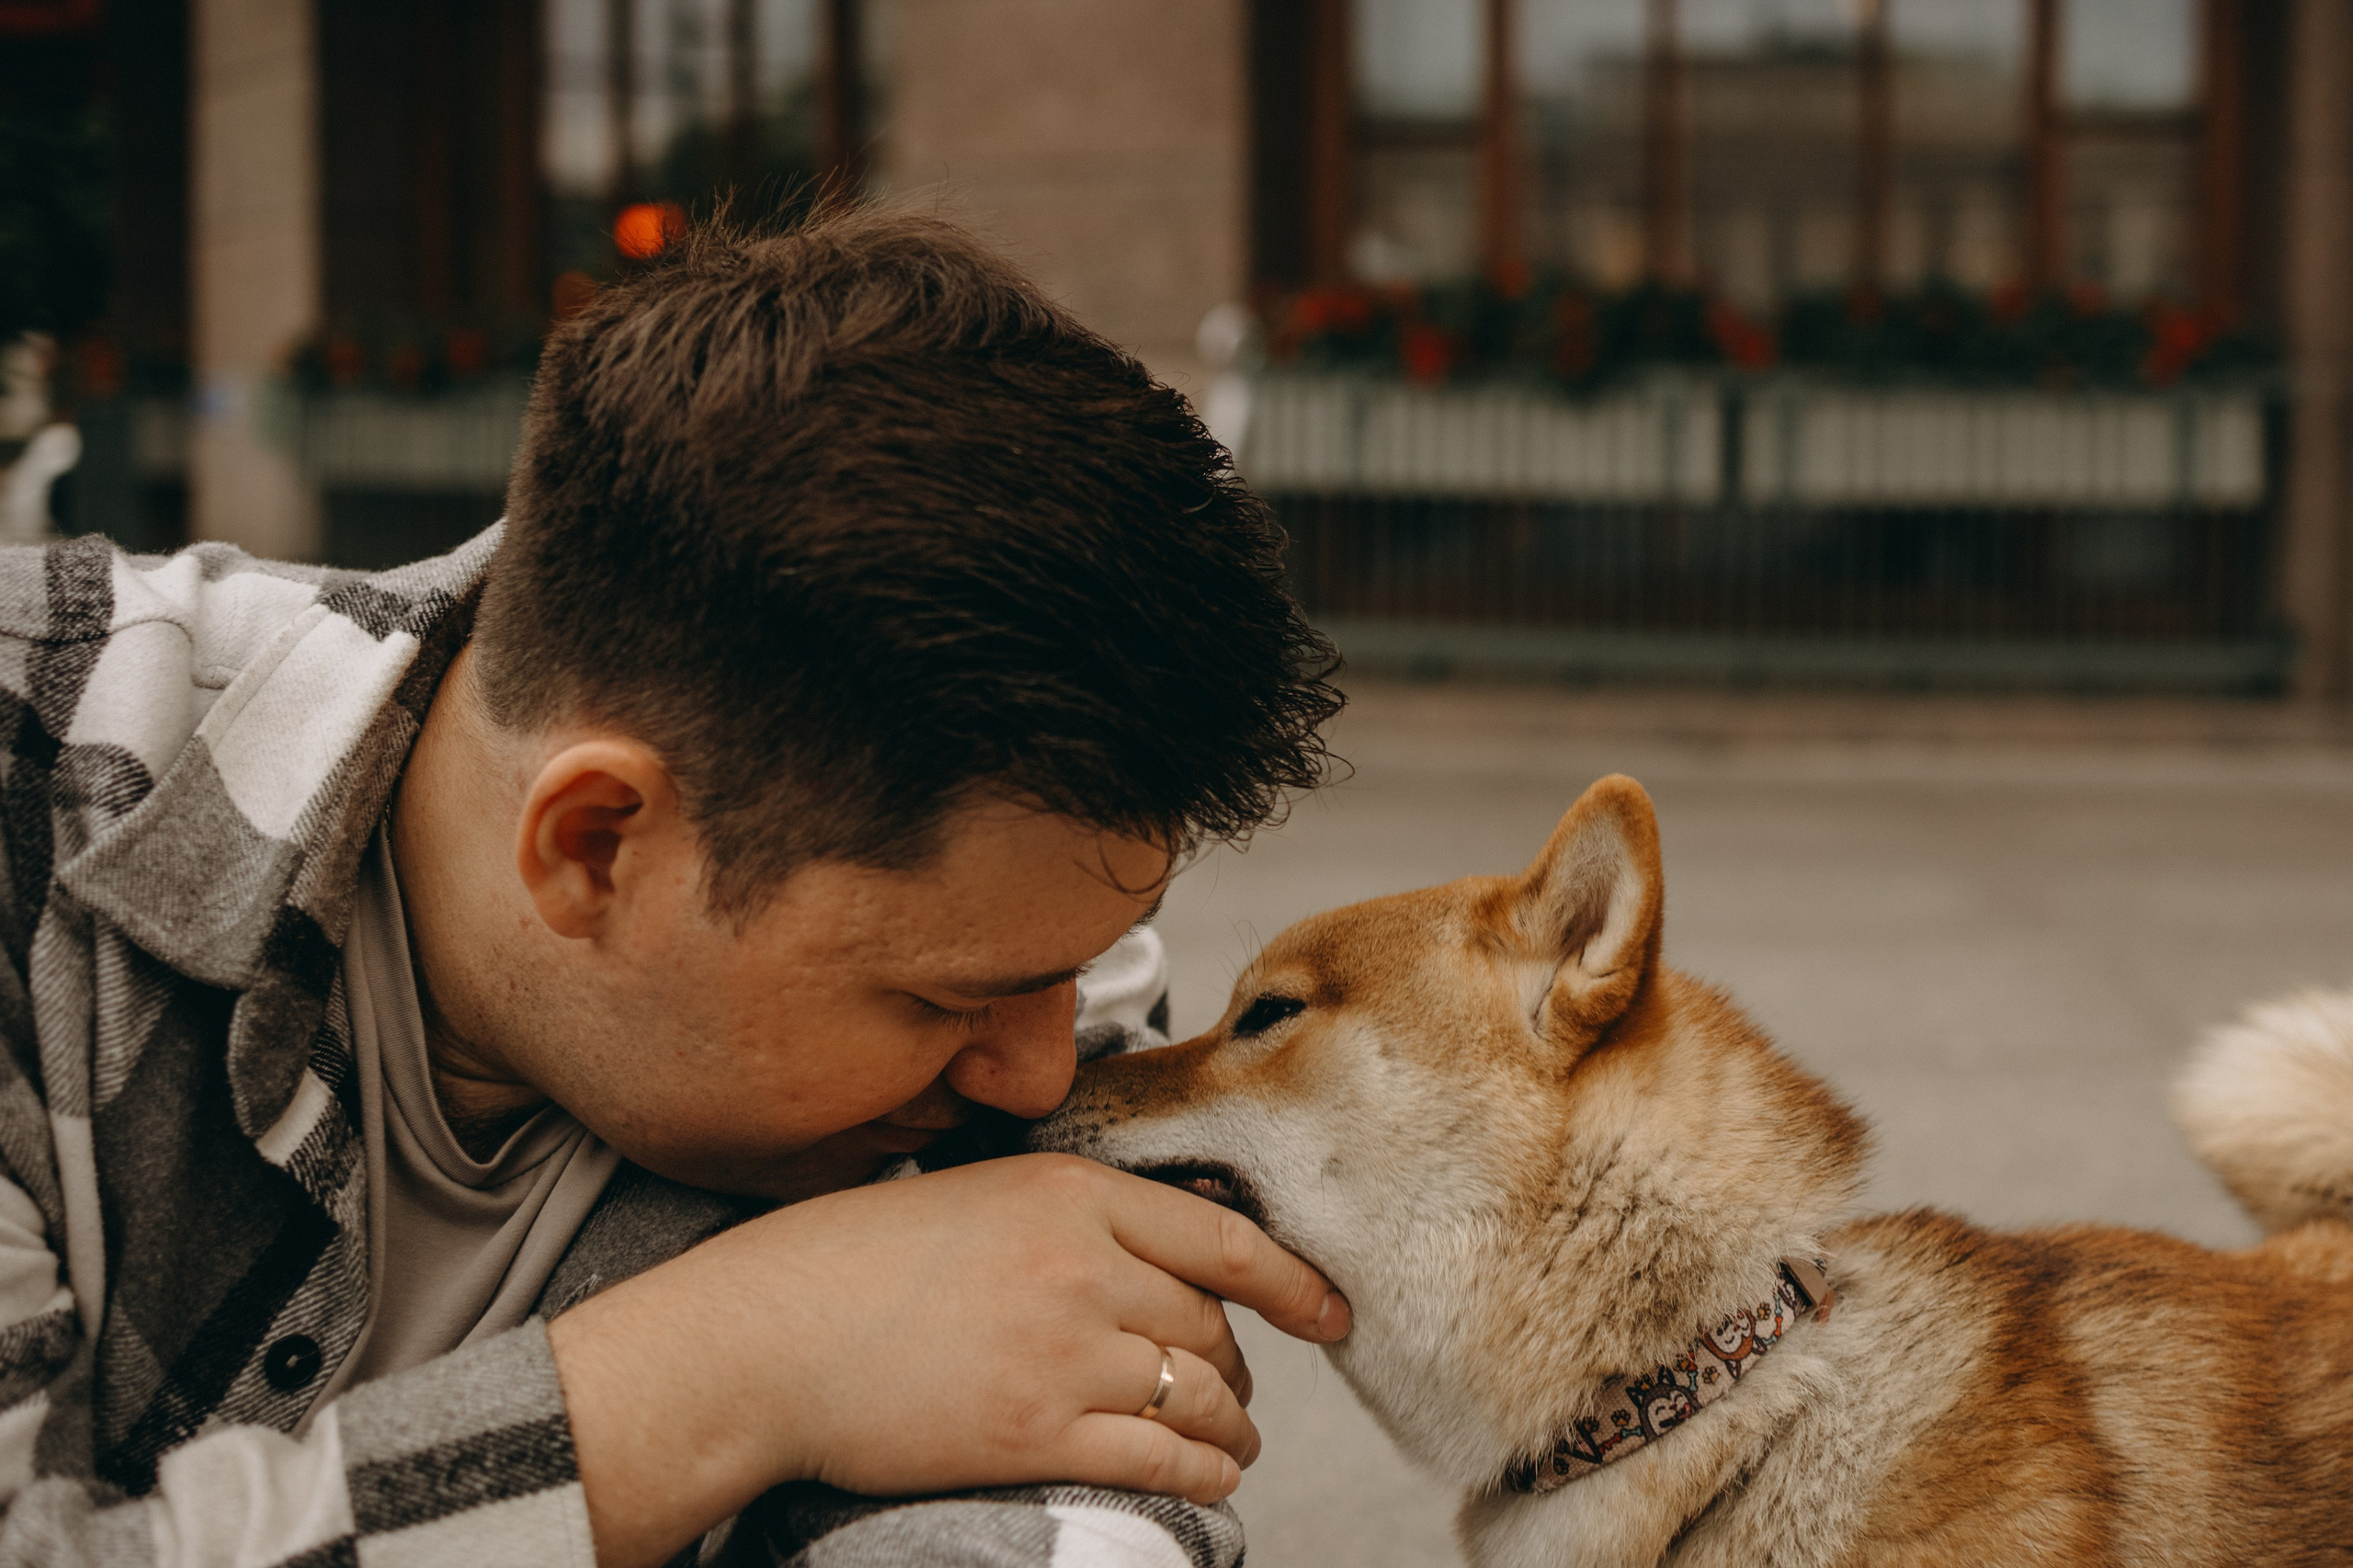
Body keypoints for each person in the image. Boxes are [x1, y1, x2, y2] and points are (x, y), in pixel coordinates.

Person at [0, 208, 1351, 1568]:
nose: (1047, 1077)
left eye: (1085, 961)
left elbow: (1074, 1527)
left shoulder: (1024, 949)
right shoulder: (38, 788)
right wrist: (737, 1366)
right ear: (594, 844)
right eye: (947, 1000)